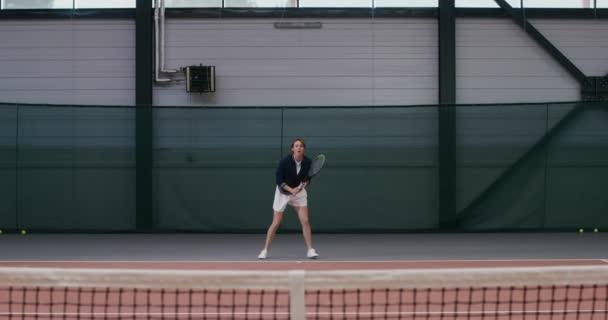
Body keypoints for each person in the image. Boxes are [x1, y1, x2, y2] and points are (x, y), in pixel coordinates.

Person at [258, 138, 319, 260]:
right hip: (283, 192)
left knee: (305, 220)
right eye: (296, 146)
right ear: (292, 149)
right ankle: (264, 250)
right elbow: (279, 180)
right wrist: (291, 190)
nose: (299, 148)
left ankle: (310, 250)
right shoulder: (284, 162)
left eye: (301, 146)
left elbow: (307, 179)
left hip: (299, 193)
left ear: (303, 149)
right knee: (275, 223)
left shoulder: (307, 162)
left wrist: (302, 186)